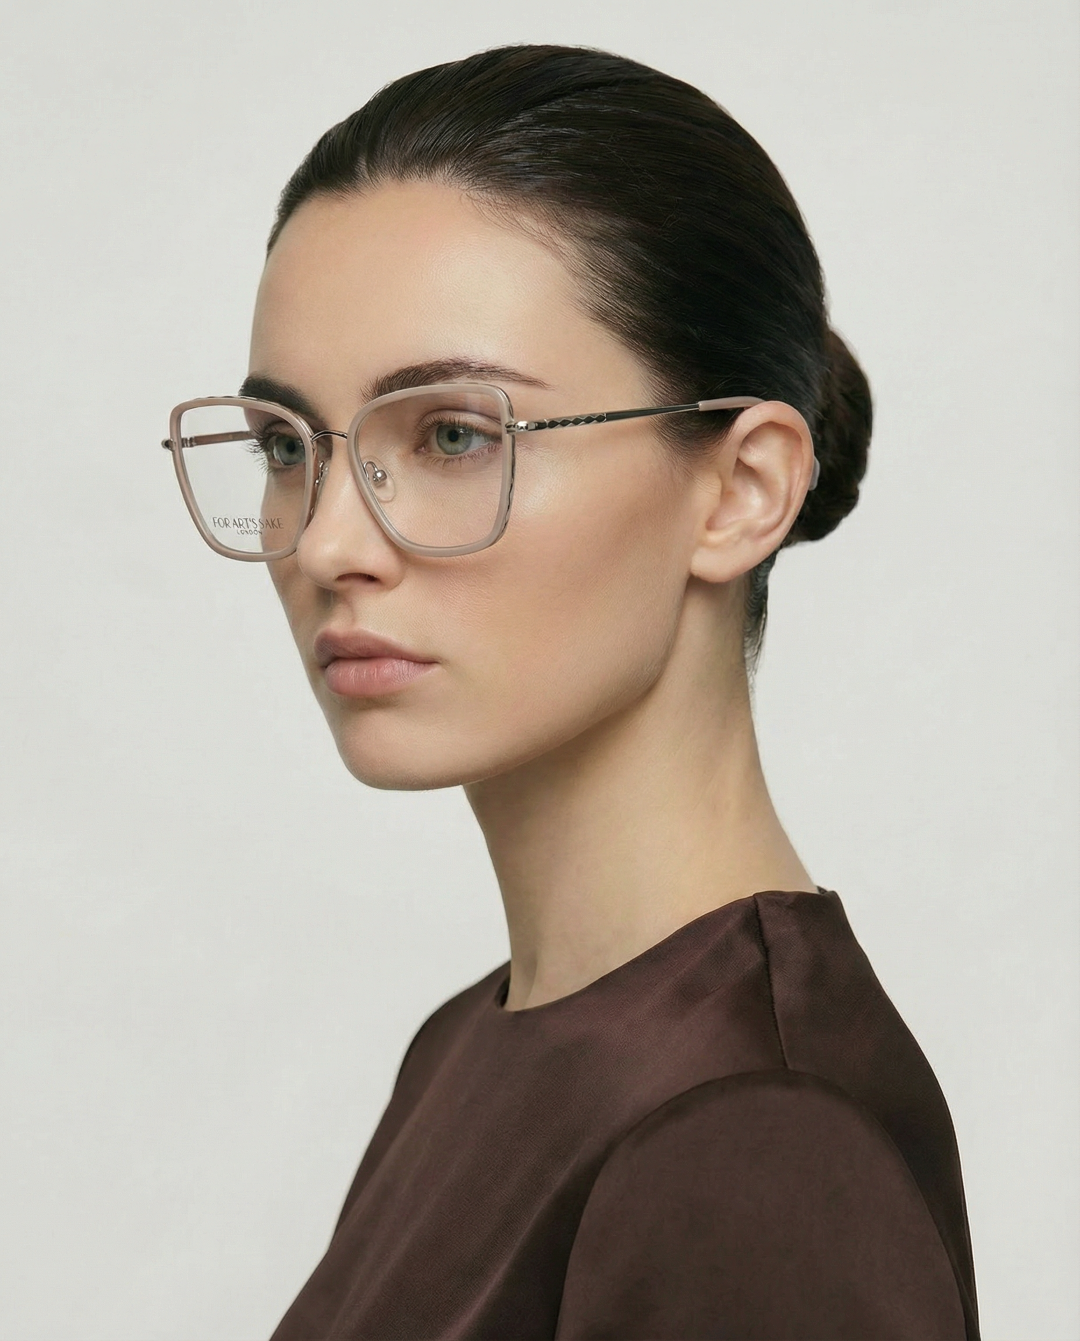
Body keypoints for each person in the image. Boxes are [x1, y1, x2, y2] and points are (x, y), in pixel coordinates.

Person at [163, 42, 980, 1341]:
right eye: (284, 446)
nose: (324, 544)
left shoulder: (755, 1144)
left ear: (741, 489)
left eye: (451, 435)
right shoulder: (476, 1050)